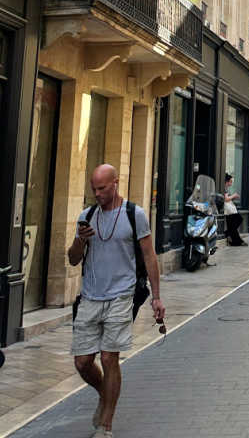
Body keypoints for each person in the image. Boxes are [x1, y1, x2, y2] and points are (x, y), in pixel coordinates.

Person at [67, 164, 165, 438]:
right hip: (90, 296)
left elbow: (149, 256)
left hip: (122, 295)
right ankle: (104, 394)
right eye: (93, 189)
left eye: (102, 188)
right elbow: (73, 259)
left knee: (110, 358)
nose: (97, 194)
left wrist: (157, 298)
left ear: (115, 184)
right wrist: (80, 242)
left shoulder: (135, 215)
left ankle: (105, 425)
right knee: (83, 362)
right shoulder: (86, 216)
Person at [223, 173, 246, 246]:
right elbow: (226, 199)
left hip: (229, 208)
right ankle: (229, 234)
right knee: (239, 219)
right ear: (227, 181)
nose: (231, 183)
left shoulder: (226, 188)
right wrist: (234, 195)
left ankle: (235, 241)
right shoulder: (224, 188)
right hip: (227, 208)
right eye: (230, 182)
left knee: (231, 224)